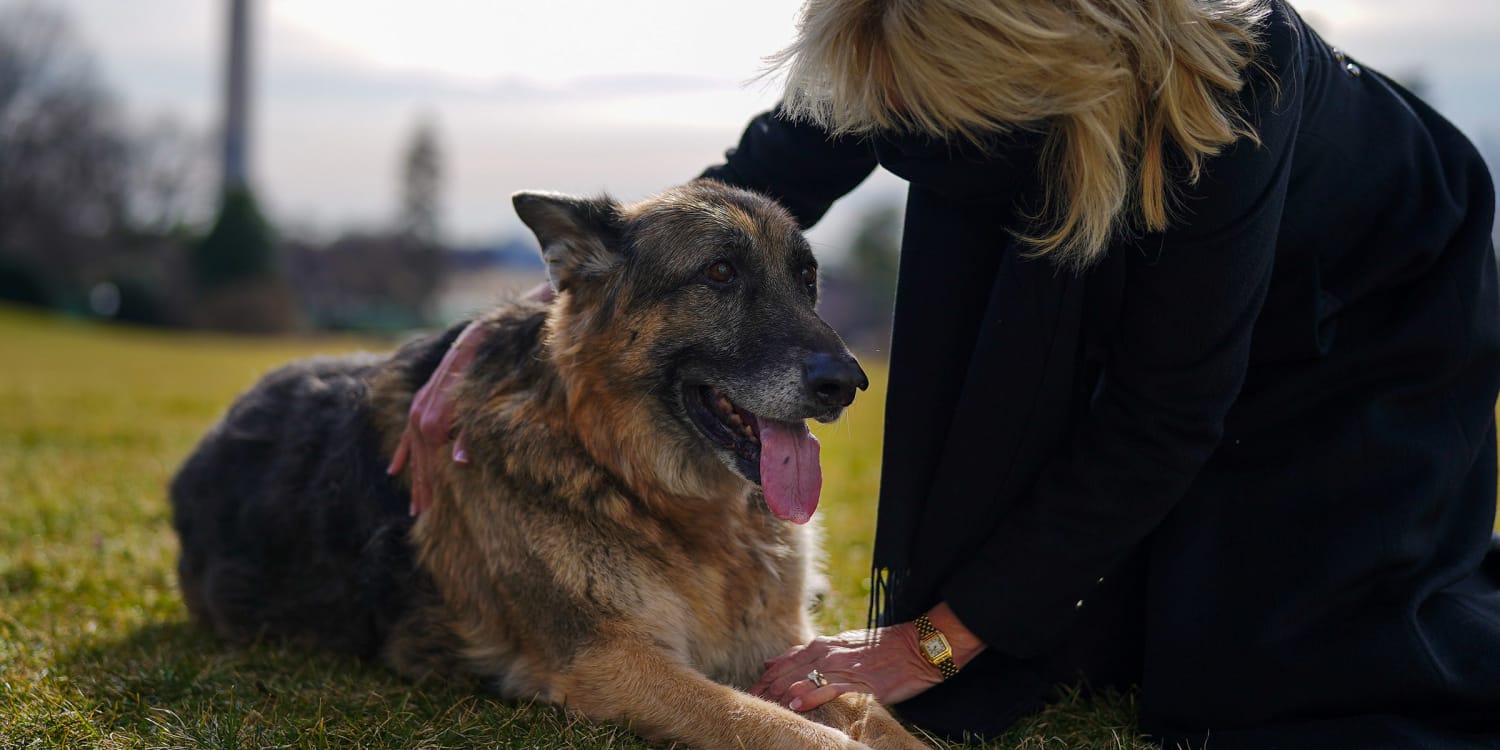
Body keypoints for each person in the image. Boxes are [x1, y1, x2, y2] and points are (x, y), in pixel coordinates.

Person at [390, 0, 1500, 747]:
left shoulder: (1230, 90)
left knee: (1272, 678)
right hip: (1131, 228)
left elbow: (1166, 409)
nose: (893, 123)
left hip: (1364, 300)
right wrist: (524, 321)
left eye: (923, 111)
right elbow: (745, 185)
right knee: (1067, 648)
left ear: (1026, 72)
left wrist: (931, 641)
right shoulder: (899, 28)